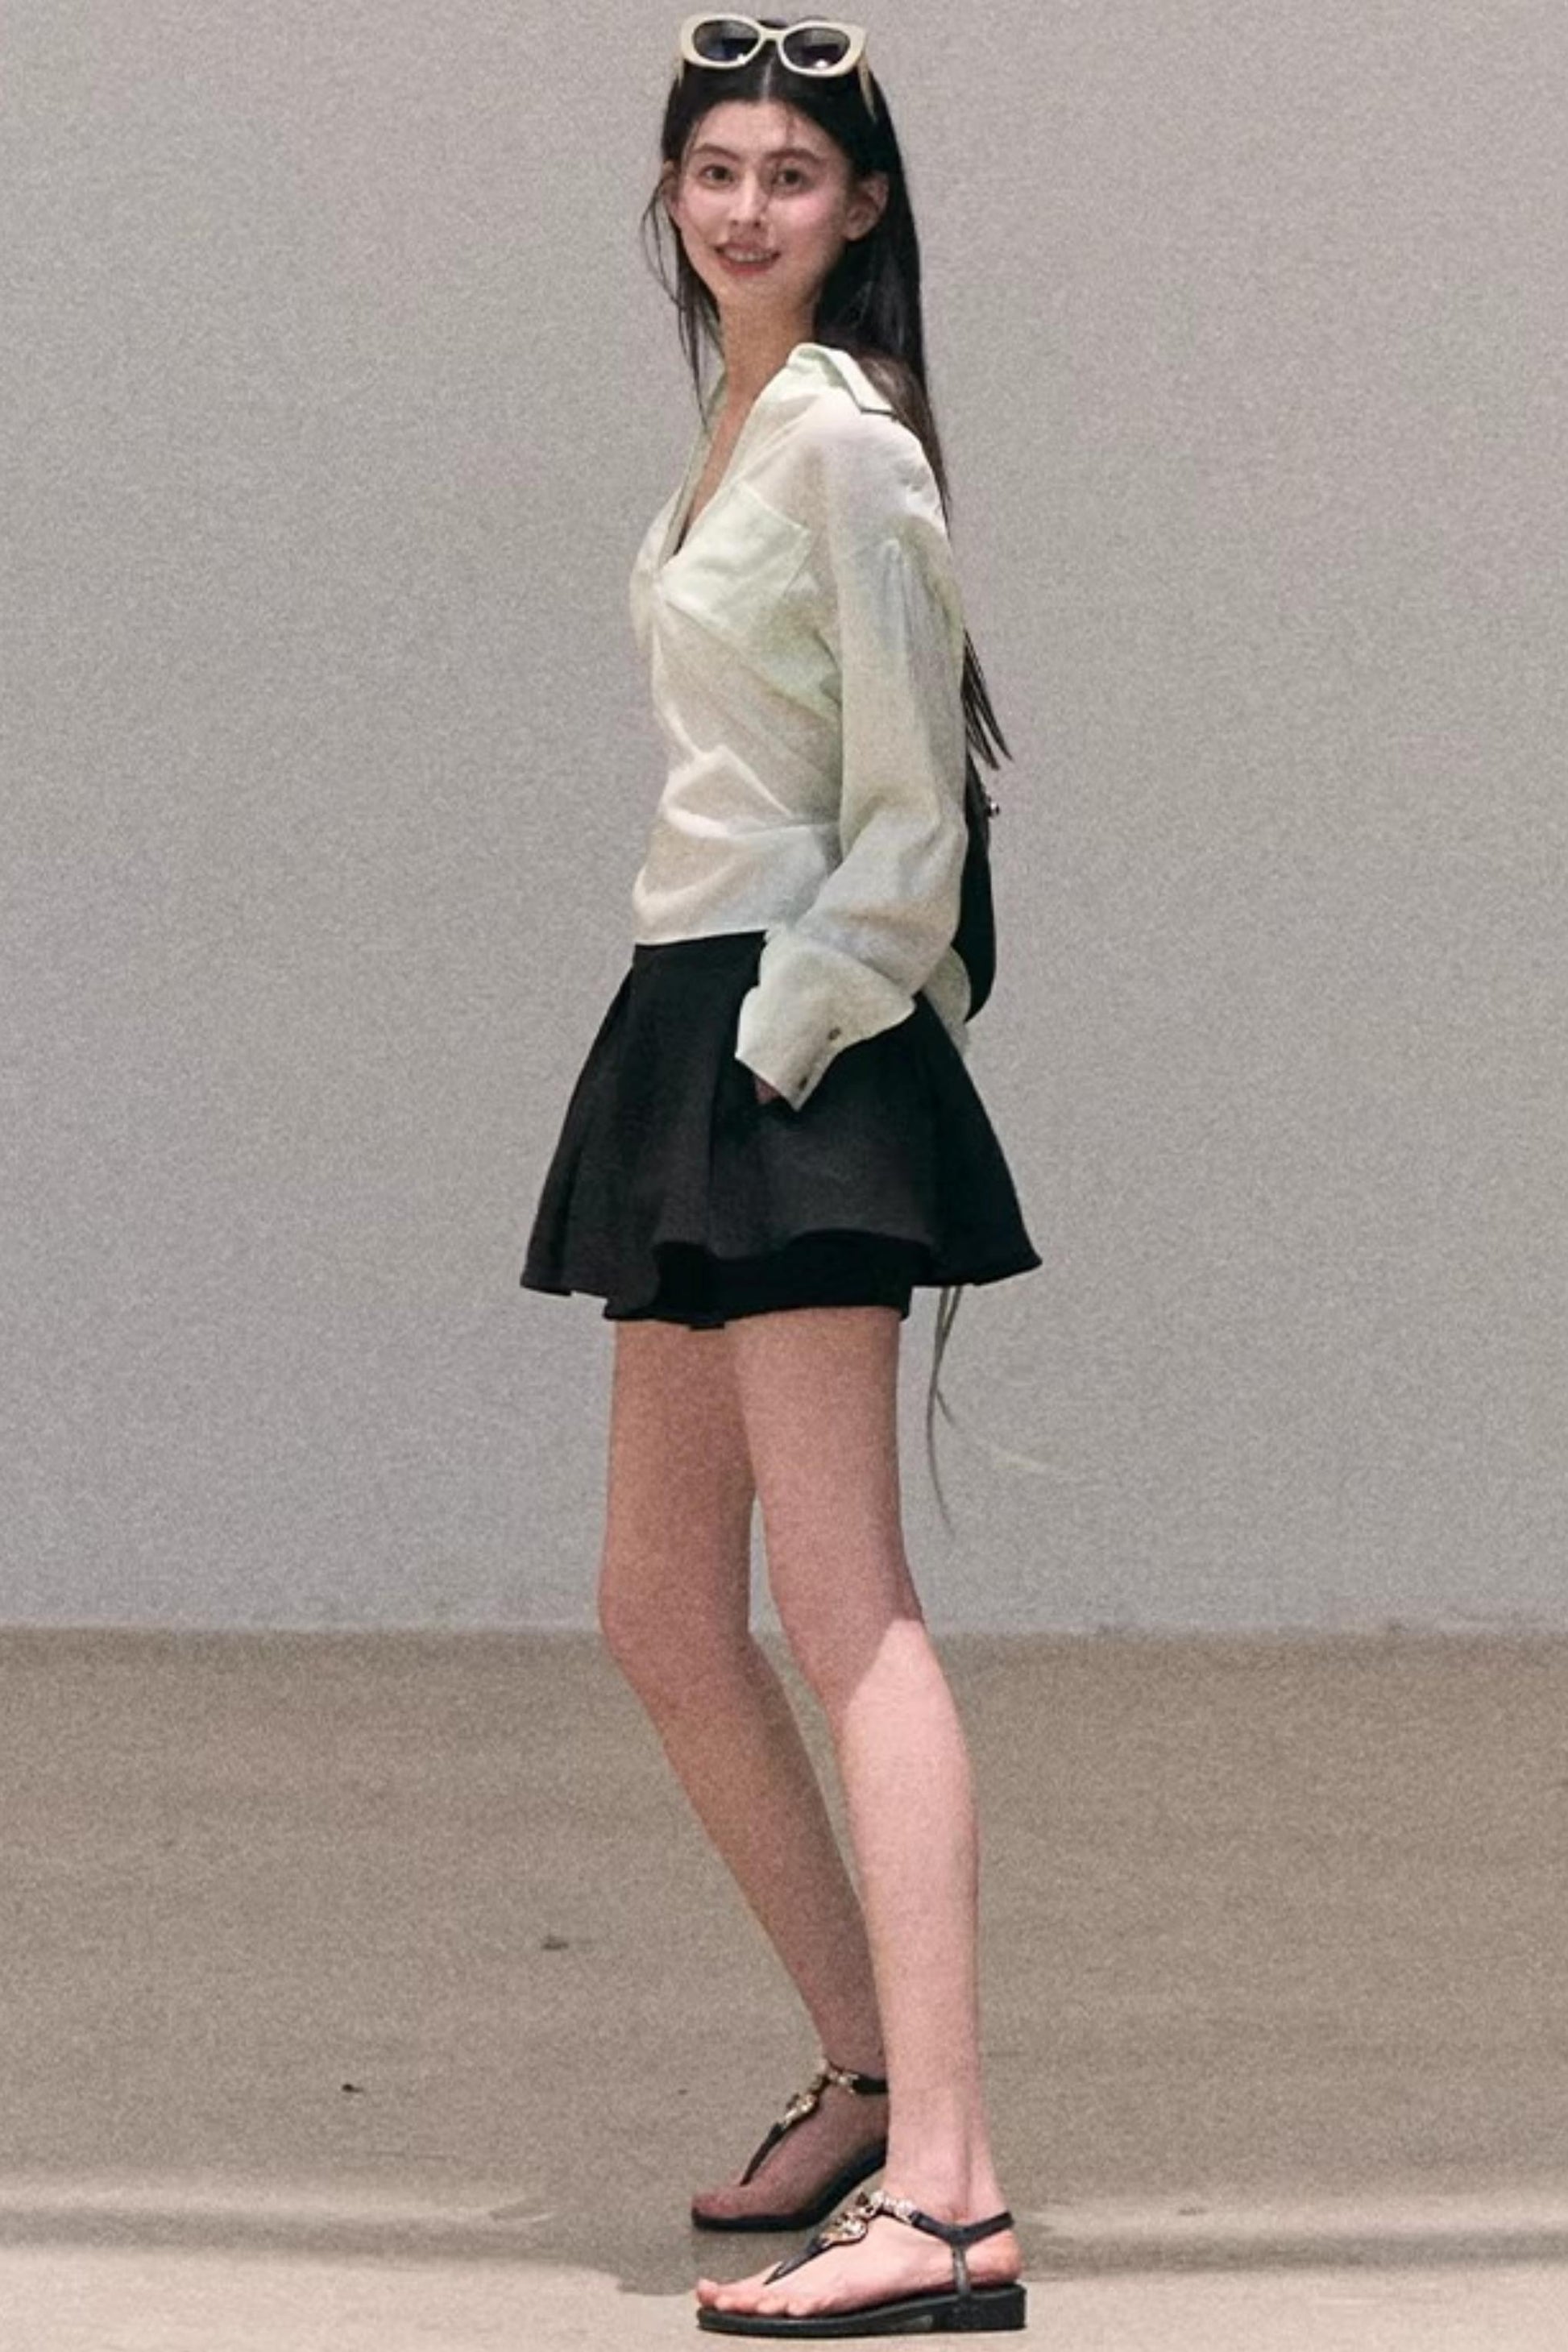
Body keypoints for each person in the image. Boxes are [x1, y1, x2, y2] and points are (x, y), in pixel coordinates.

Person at [519, 15, 1039, 2335]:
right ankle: (867, 2071)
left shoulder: (843, 443)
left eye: (792, 174)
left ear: (862, 209)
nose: (747, 207)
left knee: (850, 1611)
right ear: (670, 192)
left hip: (787, 1030)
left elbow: (915, 818)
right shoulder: (728, 437)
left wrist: (782, 1040)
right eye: (714, 168)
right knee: (660, 1603)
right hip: (689, 1011)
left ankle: (952, 2197)